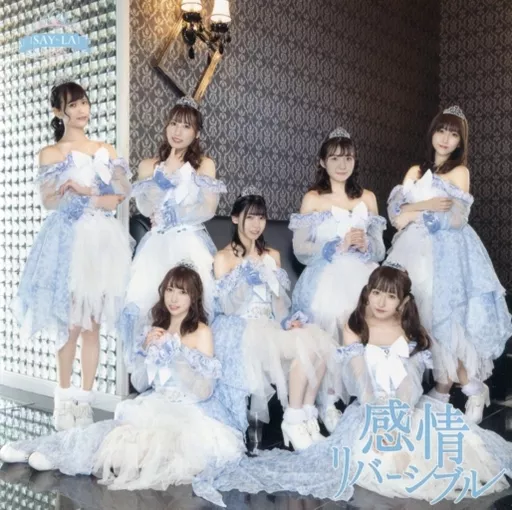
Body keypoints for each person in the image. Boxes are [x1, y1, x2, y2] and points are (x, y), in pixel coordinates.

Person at [192, 266, 512, 507]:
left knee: (440, 450)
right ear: (367, 292)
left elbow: (410, 383)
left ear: (403, 302)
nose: (381, 302)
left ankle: (461, 403)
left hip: (405, 405)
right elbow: (359, 378)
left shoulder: (410, 329)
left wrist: (398, 417)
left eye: (391, 296)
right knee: (380, 457)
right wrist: (379, 418)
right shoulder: (354, 325)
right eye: (376, 292)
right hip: (370, 406)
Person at [1, 265, 245, 491]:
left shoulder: (201, 331)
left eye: (182, 292)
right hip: (155, 403)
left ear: (193, 297)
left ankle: (62, 457)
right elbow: (143, 382)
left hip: (188, 412)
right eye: (170, 290)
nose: (174, 298)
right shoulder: (156, 328)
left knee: (131, 451)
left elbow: (205, 390)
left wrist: (177, 354)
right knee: (109, 433)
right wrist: (146, 349)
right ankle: (41, 449)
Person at [11, 81, 132, 430]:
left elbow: (117, 198)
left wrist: (83, 191)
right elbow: (49, 201)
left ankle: (85, 402)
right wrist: (84, 197)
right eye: (73, 105)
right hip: (67, 240)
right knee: (70, 323)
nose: (82, 110)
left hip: (101, 242)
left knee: (92, 324)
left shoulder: (104, 149)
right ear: (58, 112)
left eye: (84, 103)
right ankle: (63, 400)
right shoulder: (51, 153)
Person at [385, 106, 512, 424]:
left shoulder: (460, 172)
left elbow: (456, 218)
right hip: (411, 250)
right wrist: (428, 205)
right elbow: (398, 218)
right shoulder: (415, 171)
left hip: (448, 253)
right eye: (441, 130)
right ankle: (438, 389)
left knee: (444, 323)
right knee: (415, 320)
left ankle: (472, 389)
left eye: (454, 134)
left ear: (460, 142)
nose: (445, 138)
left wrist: (417, 210)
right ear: (432, 133)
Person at [211, 189, 338, 451]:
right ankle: (292, 421)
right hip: (240, 327)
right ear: (235, 219)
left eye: (261, 218)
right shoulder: (223, 258)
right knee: (302, 349)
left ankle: (305, 416)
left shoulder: (272, 255)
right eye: (249, 217)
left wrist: (285, 322)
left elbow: (278, 303)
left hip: (268, 324)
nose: (256, 224)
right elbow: (225, 307)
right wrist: (244, 280)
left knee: (319, 343)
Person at [290, 127, 386, 431]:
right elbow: (301, 250)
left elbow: (381, 249)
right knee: (331, 316)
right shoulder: (313, 199)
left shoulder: (368, 198)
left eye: (348, 158)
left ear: (355, 161)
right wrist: (336, 245)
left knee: (372, 317)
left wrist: (366, 244)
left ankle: (371, 396)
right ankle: (328, 401)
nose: (342, 165)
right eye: (334, 158)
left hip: (363, 270)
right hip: (327, 272)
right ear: (322, 162)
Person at [120, 96, 225, 366]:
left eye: (186, 126)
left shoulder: (204, 165)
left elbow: (209, 208)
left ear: (196, 133)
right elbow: (144, 206)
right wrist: (158, 186)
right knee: (149, 303)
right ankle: (154, 368)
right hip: (156, 243)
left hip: (188, 240)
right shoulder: (149, 165)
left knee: (192, 304)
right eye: (174, 124)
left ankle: (186, 367)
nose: (178, 131)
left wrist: (178, 212)